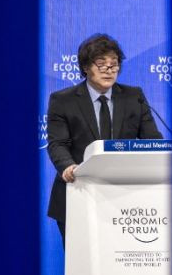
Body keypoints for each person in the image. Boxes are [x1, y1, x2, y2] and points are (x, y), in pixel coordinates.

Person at [46, 33, 163, 245]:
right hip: (76, 193)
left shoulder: (133, 96)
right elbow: (58, 144)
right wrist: (68, 166)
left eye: (114, 64)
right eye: (101, 64)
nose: (109, 70)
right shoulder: (63, 100)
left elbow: (152, 140)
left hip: (124, 200)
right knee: (80, 270)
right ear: (85, 68)